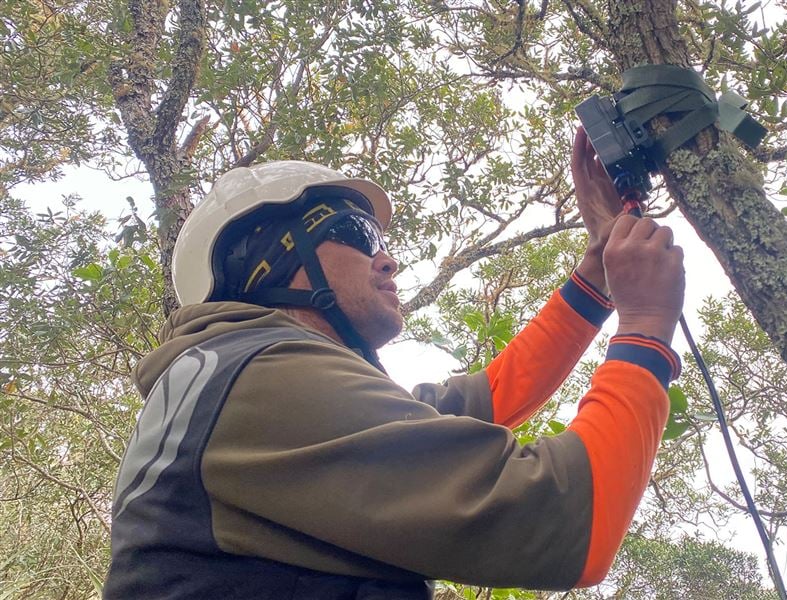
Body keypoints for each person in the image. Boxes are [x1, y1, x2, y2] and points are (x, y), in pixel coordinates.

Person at [103, 128, 685, 599]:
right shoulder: (253, 376)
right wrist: (646, 328)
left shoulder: (239, 376)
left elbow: (487, 398)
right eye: (358, 233)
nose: (388, 260)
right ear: (271, 262)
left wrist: (595, 280)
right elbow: (565, 516)